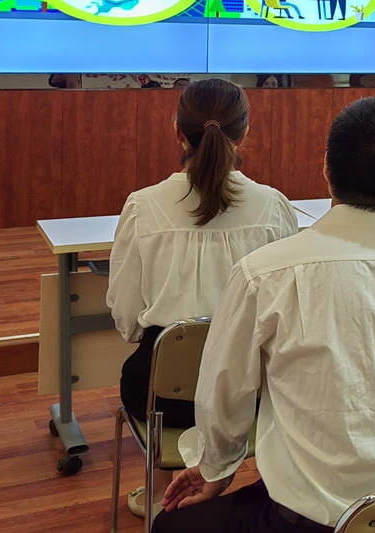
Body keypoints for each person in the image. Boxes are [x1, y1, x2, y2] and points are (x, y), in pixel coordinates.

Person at [153, 97, 375, 533]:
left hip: (313, 521)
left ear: (326, 167)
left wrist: (216, 469)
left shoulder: (264, 273)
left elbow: (224, 395)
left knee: (169, 526)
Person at [107, 79, 297, 515]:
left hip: (163, 397)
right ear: (243, 134)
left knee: (154, 364)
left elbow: (127, 317)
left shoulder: (142, 206)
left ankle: (162, 496)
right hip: (252, 394)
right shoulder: (274, 206)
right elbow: (287, 309)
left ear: (177, 130)